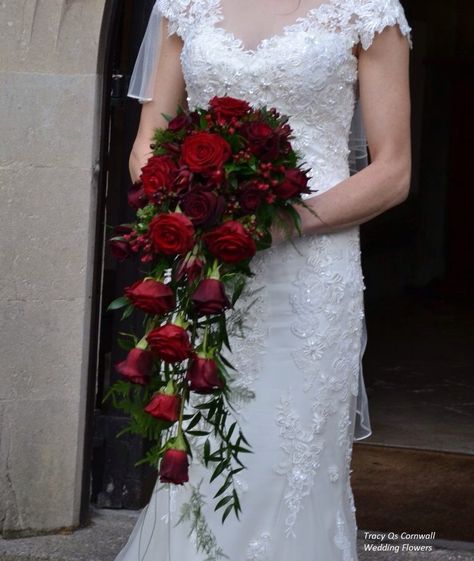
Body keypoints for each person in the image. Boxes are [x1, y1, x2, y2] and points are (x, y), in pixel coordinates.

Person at [116, 0, 413, 559]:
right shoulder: (184, 6)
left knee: (291, 456)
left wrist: (278, 224)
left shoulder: (369, 12)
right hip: (209, 268)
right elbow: (145, 144)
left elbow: (393, 170)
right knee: (202, 450)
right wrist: (185, 212)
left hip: (311, 273)